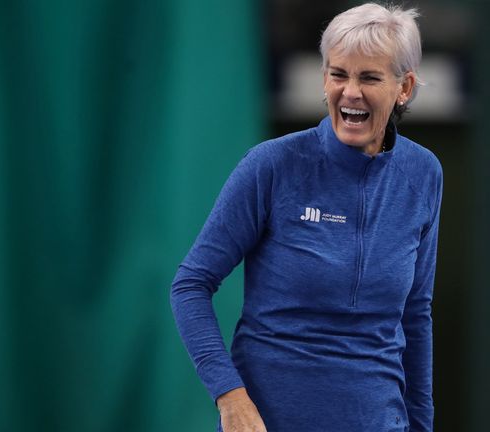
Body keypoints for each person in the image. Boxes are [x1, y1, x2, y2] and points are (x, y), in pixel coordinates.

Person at [171, 3, 442, 431]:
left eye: (369, 77)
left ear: (404, 87)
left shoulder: (424, 173)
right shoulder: (272, 165)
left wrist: (422, 425)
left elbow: (416, 313)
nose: (350, 92)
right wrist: (230, 398)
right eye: (338, 74)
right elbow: (190, 285)